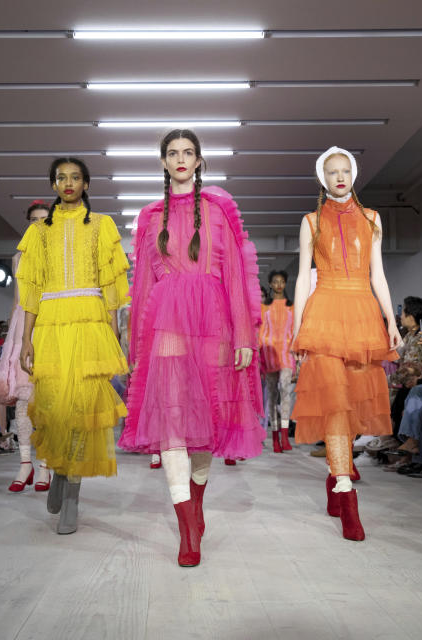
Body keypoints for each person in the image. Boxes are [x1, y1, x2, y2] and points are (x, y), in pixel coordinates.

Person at [120, 129, 263, 567]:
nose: (180, 159)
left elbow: (237, 276)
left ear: (199, 160)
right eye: (172, 153)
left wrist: (244, 334)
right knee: (175, 421)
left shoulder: (219, 210)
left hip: (215, 322)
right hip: (166, 323)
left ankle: (195, 507)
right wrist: (136, 345)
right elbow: (142, 282)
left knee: (207, 425)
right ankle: (187, 530)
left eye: (188, 152)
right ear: (163, 162)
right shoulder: (149, 217)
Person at [290, 146, 402, 541]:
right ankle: (344, 488)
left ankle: (336, 473)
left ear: (354, 174)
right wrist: (298, 327)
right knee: (335, 403)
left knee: (354, 402)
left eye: (345, 170)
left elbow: (379, 275)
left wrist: (391, 321)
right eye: (332, 172)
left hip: (362, 316)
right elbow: (304, 278)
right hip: (324, 315)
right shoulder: (310, 220)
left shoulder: (372, 219)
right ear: (323, 178)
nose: (340, 177)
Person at [18, 158, 129, 535]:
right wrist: (24, 340)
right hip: (50, 325)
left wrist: (112, 335)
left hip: (89, 321)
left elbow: (112, 285)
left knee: (81, 409)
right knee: (54, 407)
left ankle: (71, 497)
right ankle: (61, 475)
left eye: (76, 177)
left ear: (86, 184)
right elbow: (30, 290)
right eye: (61, 178)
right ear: (53, 184)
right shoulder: (38, 233)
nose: (68, 183)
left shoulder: (101, 225)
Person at [0, 201, 47, 492]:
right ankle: (25, 464)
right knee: (23, 403)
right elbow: (17, 301)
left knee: (45, 402)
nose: (38, 224)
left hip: (50, 326)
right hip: (24, 326)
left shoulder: (59, 256)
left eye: (44, 220)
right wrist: (10, 340)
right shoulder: (18, 258)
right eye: (33, 220)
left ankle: (44, 465)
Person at [260, 270, 295, 453]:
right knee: (272, 395)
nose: (279, 285)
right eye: (275, 282)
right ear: (271, 284)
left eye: (282, 281)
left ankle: (284, 436)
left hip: (287, 353)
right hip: (269, 352)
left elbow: (296, 330)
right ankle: (274, 437)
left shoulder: (292, 306)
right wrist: (260, 353)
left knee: (285, 390)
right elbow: (260, 331)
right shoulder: (264, 307)